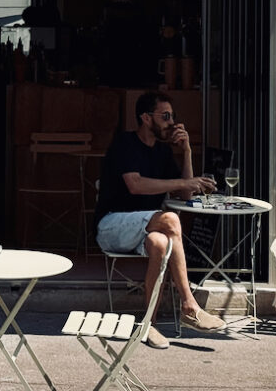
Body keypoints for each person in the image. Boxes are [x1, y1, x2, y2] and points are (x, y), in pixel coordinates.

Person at [94, 91, 226, 349]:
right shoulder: (125, 143)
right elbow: (135, 185)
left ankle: (148, 324)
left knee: (160, 243)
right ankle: (189, 304)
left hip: (144, 230)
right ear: (145, 118)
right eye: (165, 116)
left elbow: (186, 194)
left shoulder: (163, 153)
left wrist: (187, 151)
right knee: (171, 221)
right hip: (111, 225)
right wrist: (184, 181)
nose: (171, 122)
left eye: (172, 116)